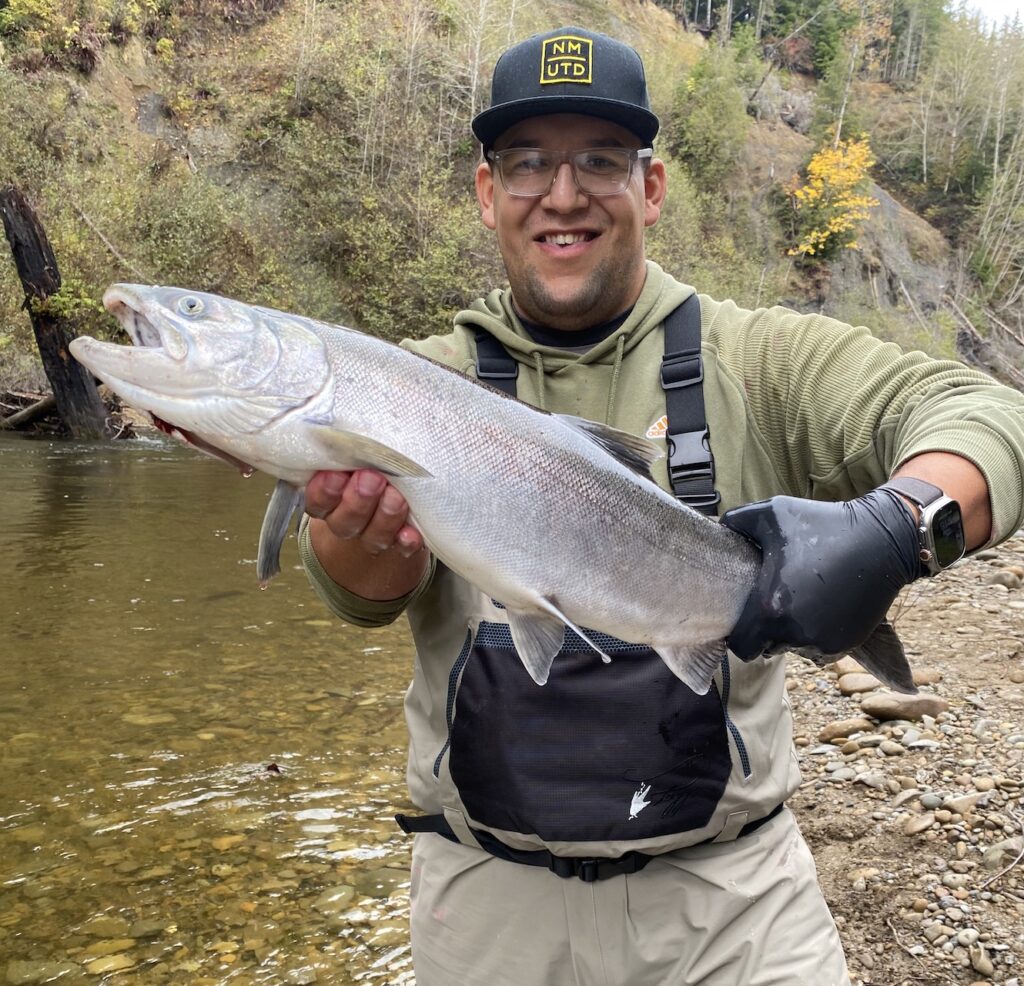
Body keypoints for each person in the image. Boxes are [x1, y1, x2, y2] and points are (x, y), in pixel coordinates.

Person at [298, 25, 1024, 986]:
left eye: (599, 160)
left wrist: (895, 528)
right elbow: (361, 594)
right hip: (484, 910)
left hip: (733, 908)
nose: (562, 195)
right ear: (487, 194)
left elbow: (991, 413)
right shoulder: (416, 387)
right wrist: (362, 539)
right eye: (527, 165)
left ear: (651, 187)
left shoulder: (762, 361)